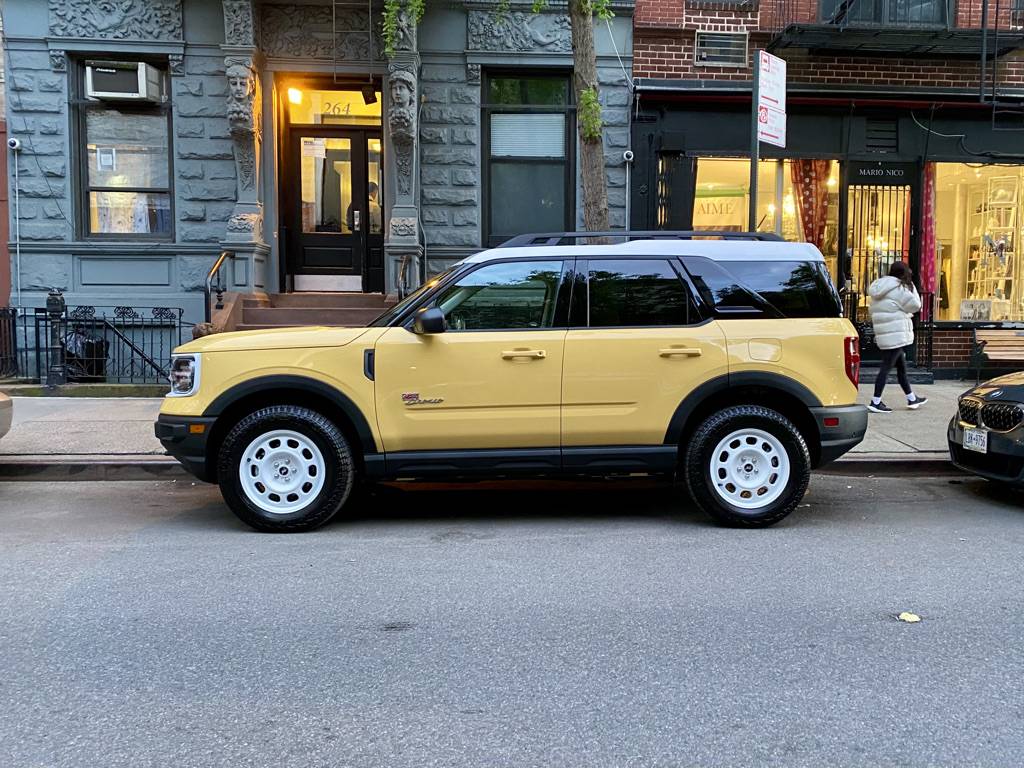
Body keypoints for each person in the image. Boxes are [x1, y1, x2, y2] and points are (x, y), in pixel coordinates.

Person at [867, 260, 928, 414]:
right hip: (895, 333)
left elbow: (876, 310)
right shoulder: (899, 288)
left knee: (901, 367)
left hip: (885, 333)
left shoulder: (880, 286)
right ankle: (875, 402)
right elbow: (915, 305)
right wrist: (912, 287)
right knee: (886, 368)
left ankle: (912, 398)